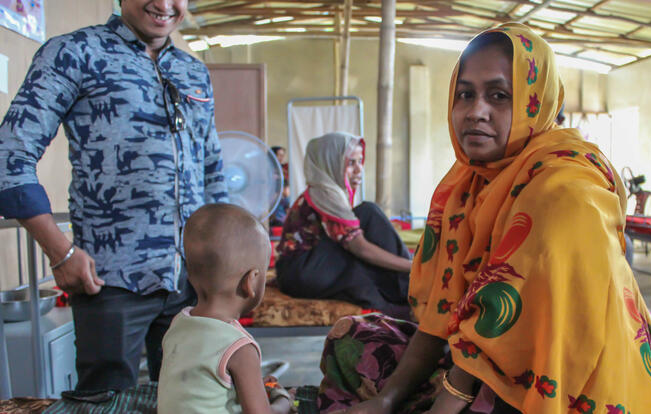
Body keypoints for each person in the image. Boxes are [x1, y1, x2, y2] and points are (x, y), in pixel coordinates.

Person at [319, 24, 651, 414]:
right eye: (465, 94)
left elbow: (505, 329)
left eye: (500, 96)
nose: (476, 112)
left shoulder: (564, 189)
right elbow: (442, 313)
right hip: (473, 360)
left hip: (563, 373)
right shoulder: (466, 184)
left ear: (538, 102)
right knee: (349, 337)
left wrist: (444, 405)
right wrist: (388, 400)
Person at [0, 0, 228, 393]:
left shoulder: (193, 72)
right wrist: (61, 253)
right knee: (104, 400)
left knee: (194, 398)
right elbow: (9, 157)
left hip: (193, 280)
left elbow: (212, 169)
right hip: (109, 280)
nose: (163, 4)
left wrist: (228, 260)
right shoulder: (74, 52)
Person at [158, 203, 294, 414]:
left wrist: (253, 385)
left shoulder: (178, 324)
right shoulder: (239, 346)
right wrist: (283, 400)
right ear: (250, 282)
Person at [275, 132, 412, 318]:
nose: (359, 169)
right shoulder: (323, 194)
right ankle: (410, 288)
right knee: (368, 215)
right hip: (299, 273)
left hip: (305, 268)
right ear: (331, 163)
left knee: (366, 225)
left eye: (360, 161)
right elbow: (360, 248)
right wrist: (412, 266)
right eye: (351, 163)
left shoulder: (327, 191)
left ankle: (406, 291)